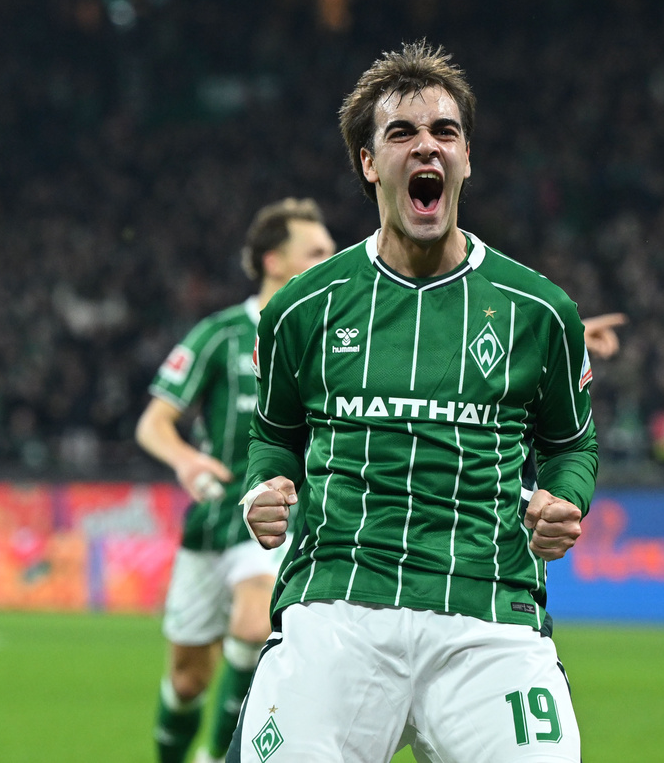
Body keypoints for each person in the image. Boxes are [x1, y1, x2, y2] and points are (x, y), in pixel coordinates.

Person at [229, 40, 598, 763]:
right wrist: (265, 488)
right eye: (402, 133)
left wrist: (565, 500)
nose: (426, 145)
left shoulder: (541, 311)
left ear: (465, 159)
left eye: (445, 132)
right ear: (369, 164)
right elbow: (274, 437)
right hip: (338, 604)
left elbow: (570, 445)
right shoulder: (301, 310)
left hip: (489, 611)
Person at [135, 198, 335, 763]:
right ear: (274, 261)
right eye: (316, 252)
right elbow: (153, 423)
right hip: (213, 519)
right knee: (188, 678)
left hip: (281, 519)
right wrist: (186, 461)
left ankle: (226, 756)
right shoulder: (221, 335)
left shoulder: (335, 337)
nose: (331, 259)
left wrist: (543, 336)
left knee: (253, 624)